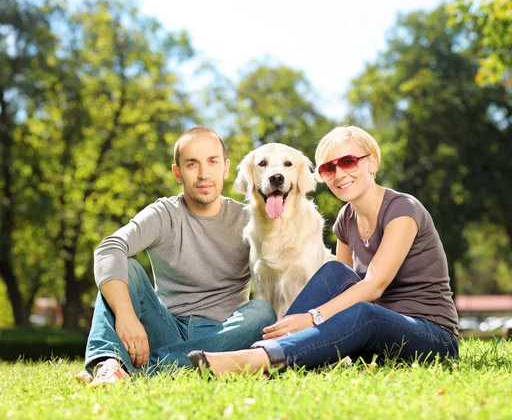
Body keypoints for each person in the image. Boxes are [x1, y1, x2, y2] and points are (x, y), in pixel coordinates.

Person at [188, 125, 459, 376]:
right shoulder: (346, 218)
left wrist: (312, 318)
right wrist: (310, 321)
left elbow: (374, 286)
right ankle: (270, 346)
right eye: (329, 168)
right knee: (333, 271)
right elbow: (341, 286)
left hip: (431, 337)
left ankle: (255, 361)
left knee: (365, 312)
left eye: (349, 162)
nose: (340, 174)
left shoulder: (403, 209)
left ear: (373, 162)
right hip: (375, 336)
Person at [76, 126, 276, 386]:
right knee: (125, 267)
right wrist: (126, 316)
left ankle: (129, 369)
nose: (204, 174)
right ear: (177, 172)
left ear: (225, 168)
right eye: (192, 164)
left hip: (225, 334)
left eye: (212, 162)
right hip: (167, 328)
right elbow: (109, 248)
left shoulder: (249, 219)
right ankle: (108, 362)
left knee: (262, 312)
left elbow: (282, 266)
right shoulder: (164, 213)